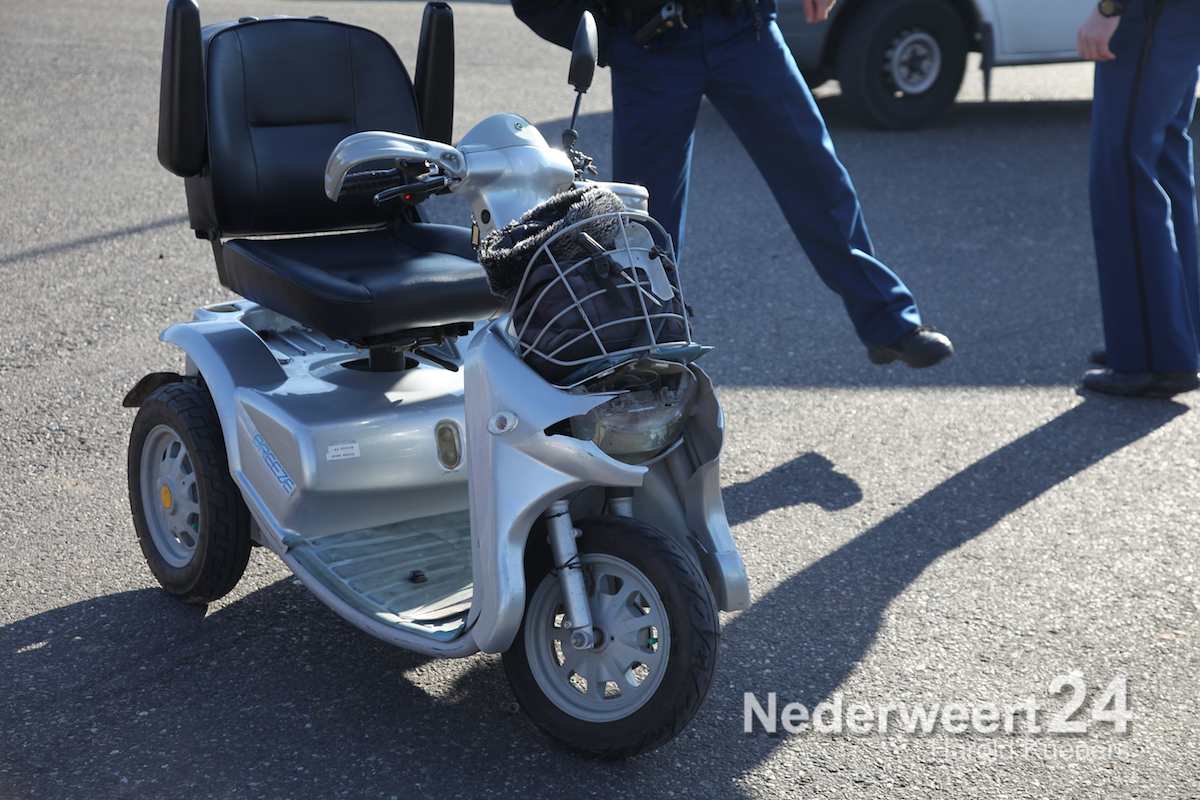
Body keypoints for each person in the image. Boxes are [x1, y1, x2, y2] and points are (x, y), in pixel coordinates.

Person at [511, 0, 955, 368]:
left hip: (745, 30)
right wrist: (608, 39)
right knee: (645, 217)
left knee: (817, 180)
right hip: (649, 43)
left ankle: (889, 322)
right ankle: (654, 352)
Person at [1078, 0, 1200, 397]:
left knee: (1125, 171)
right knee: (1163, 159)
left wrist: (1109, 8)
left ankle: (1150, 356)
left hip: (1150, 12)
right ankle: (1177, 335)